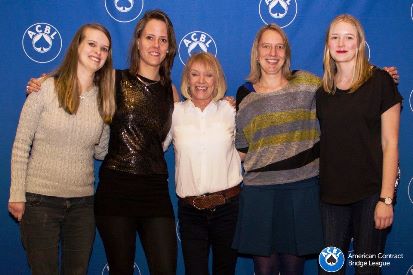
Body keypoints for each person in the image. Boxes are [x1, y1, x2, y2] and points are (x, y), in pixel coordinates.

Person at [8, 23, 115, 275]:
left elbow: (100, 151)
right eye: (91, 44)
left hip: (83, 206)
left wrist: (109, 118)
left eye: (104, 48)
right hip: (39, 201)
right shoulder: (44, 88)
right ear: (77, 45)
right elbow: (21, 144)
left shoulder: (103, 99)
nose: (98, 52)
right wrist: (16, 194)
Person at [93, 10, 179, 275]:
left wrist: (227, 103)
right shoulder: (113, 79)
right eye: (150, 37)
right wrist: (46, 80)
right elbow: (76, 83)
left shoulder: (171, 92)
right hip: (116, 188)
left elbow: (195, 119)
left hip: (155, 190)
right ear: (138, 41)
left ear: (169, 47)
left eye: (162, 40)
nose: (156, 45)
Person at [233, 23, 323, 275]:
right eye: (266, 46)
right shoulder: (244, 93)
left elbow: (343, 86)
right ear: (257, 52)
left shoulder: (307, 82)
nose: (273, 53)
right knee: (265, 270)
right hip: (259, 193)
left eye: (279, 46)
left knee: (293, 270)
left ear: (286, 52)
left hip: (301, 189)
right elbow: (242, 147)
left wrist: (373, 75)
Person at [316, 14, 402, 274]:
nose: (341, 43)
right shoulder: (322, 92)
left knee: (367, 270)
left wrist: (386, 199)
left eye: (349, 37)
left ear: (359, 43)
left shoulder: (381, 82)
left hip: (371, 195)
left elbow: (390, 143)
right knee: (329, 270)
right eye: (335, 37)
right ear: (328, 45)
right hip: (331, 198)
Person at [163, 52, 242, 275]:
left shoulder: (230, 110)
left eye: (208, 75)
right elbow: (156, 146)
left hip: (228, 208)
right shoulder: (175, 113)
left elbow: (245, 150)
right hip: (191, 211)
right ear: (187, 79)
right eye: (195, 74)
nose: (201, 81)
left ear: (217, 80)